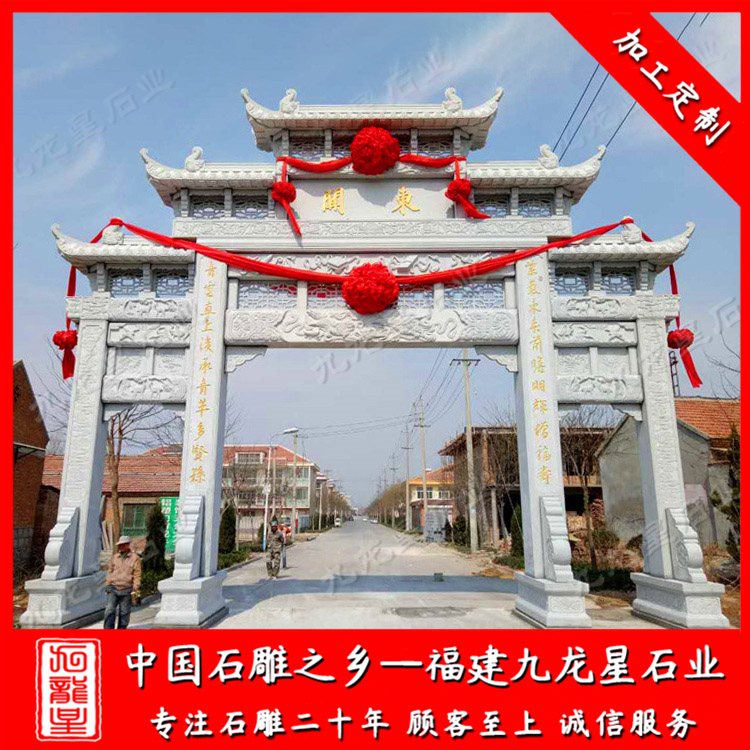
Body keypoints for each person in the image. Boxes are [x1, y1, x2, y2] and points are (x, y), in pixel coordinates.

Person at [104, 535, 142, 629]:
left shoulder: (135, 558)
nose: (120, 547)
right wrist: (108, 583)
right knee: (109, 610)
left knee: (124, 612)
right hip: (113, 587)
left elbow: (137, 573)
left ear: (127, 545)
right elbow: (110, 570)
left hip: (127, 588)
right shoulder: (115, 557)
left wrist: (136, 586)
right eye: (119, 545)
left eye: (123, 545)